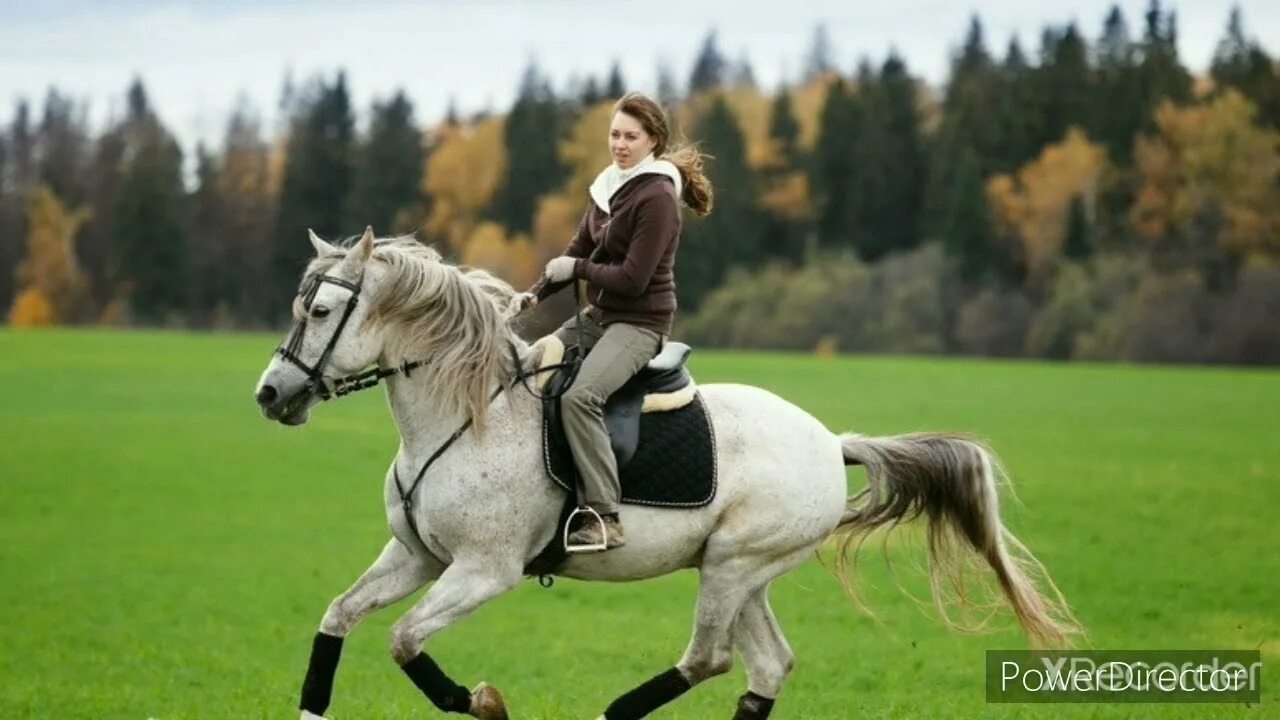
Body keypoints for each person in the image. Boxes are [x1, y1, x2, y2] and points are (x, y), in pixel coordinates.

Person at [515, 92, 713, 551]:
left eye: (631, 137)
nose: (620, 144)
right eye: (615, 134)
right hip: (599, 315)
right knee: (525, 368)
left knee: (580, 397)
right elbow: (577, 250)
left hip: (639, 324)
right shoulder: (610, 185)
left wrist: (578, 272)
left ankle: (603, 516)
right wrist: (533, 294)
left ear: (653, 141)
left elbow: (632, 278)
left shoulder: (658, 197)